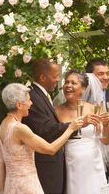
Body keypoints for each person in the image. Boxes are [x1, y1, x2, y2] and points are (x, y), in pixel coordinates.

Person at [0, 83, 84, 194]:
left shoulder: (3, 125)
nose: (31, 103)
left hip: (11, 185)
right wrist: (71, 129)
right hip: (27, 185)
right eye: (28, 100)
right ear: (19, 105)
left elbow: (1, 162)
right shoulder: (19, 129)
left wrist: (2, 189)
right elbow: (51, 149)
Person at [55, 69, 109, 194]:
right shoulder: (57, 111)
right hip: (69, 163)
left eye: (73, 83)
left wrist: (106, 124)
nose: (68, 85)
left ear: (83, 89)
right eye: (66, 82)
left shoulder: (94, 109)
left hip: (92, 162)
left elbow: (105, 141)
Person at [21, 58, 71, 194]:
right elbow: (45, 129)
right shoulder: (32, 97)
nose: (58, 79)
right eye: (55, 76)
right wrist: (74, 125)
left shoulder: (43, 95)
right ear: (43, 77)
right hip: (44, 166)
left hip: (53, 165)